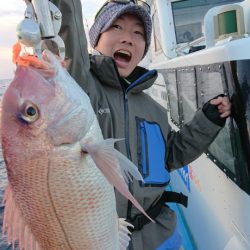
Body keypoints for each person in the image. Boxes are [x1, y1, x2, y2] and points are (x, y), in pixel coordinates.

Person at [47, 0, 231, 249]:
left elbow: (171, 156)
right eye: (116, 28)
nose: (128, 38)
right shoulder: (81, 88)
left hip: (161, 235)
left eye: (138, 33)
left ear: (144, 48)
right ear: (95, 40)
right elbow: (64, 35)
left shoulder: (154, 108)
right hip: (100, 235)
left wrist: (208, 120)